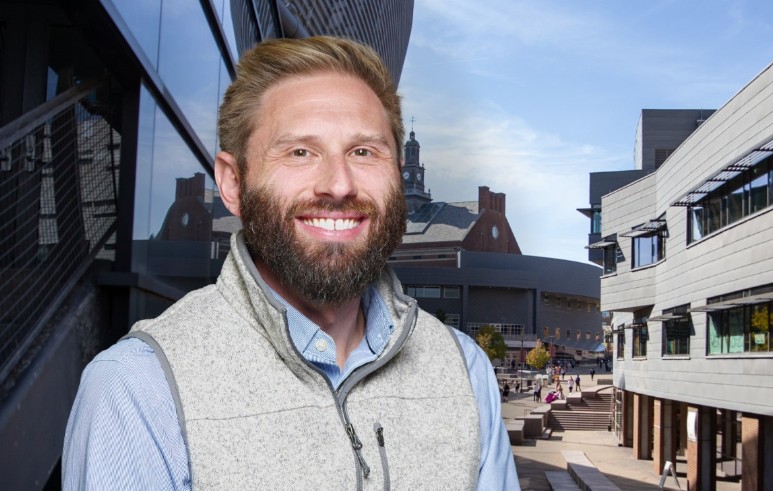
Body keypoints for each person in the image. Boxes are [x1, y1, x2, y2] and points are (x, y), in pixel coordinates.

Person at [62, 36, 516, 490]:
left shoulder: (464, 370)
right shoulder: (140, 390)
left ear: (398, 175)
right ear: (233, 184)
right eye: (300, 152)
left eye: (363, 151)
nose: (339, 184)